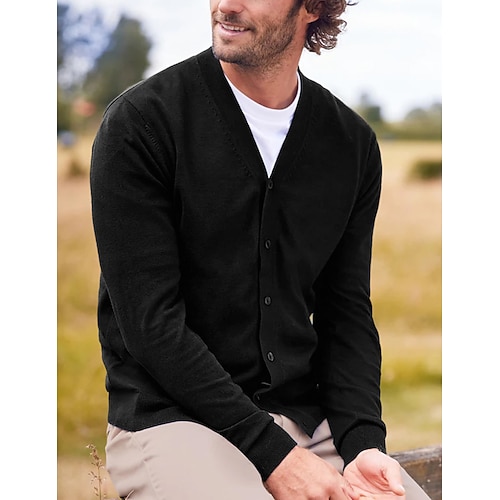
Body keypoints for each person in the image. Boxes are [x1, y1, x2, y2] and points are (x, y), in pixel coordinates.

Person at [90, 0, 432, 498]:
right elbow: (151, 325)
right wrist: (273, 455)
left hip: (306, 425)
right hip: (174, 422)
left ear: (312, 7)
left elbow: (346, 313)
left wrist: (362, 443)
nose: (226, 5)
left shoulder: (351, 144)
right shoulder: (142, 122)